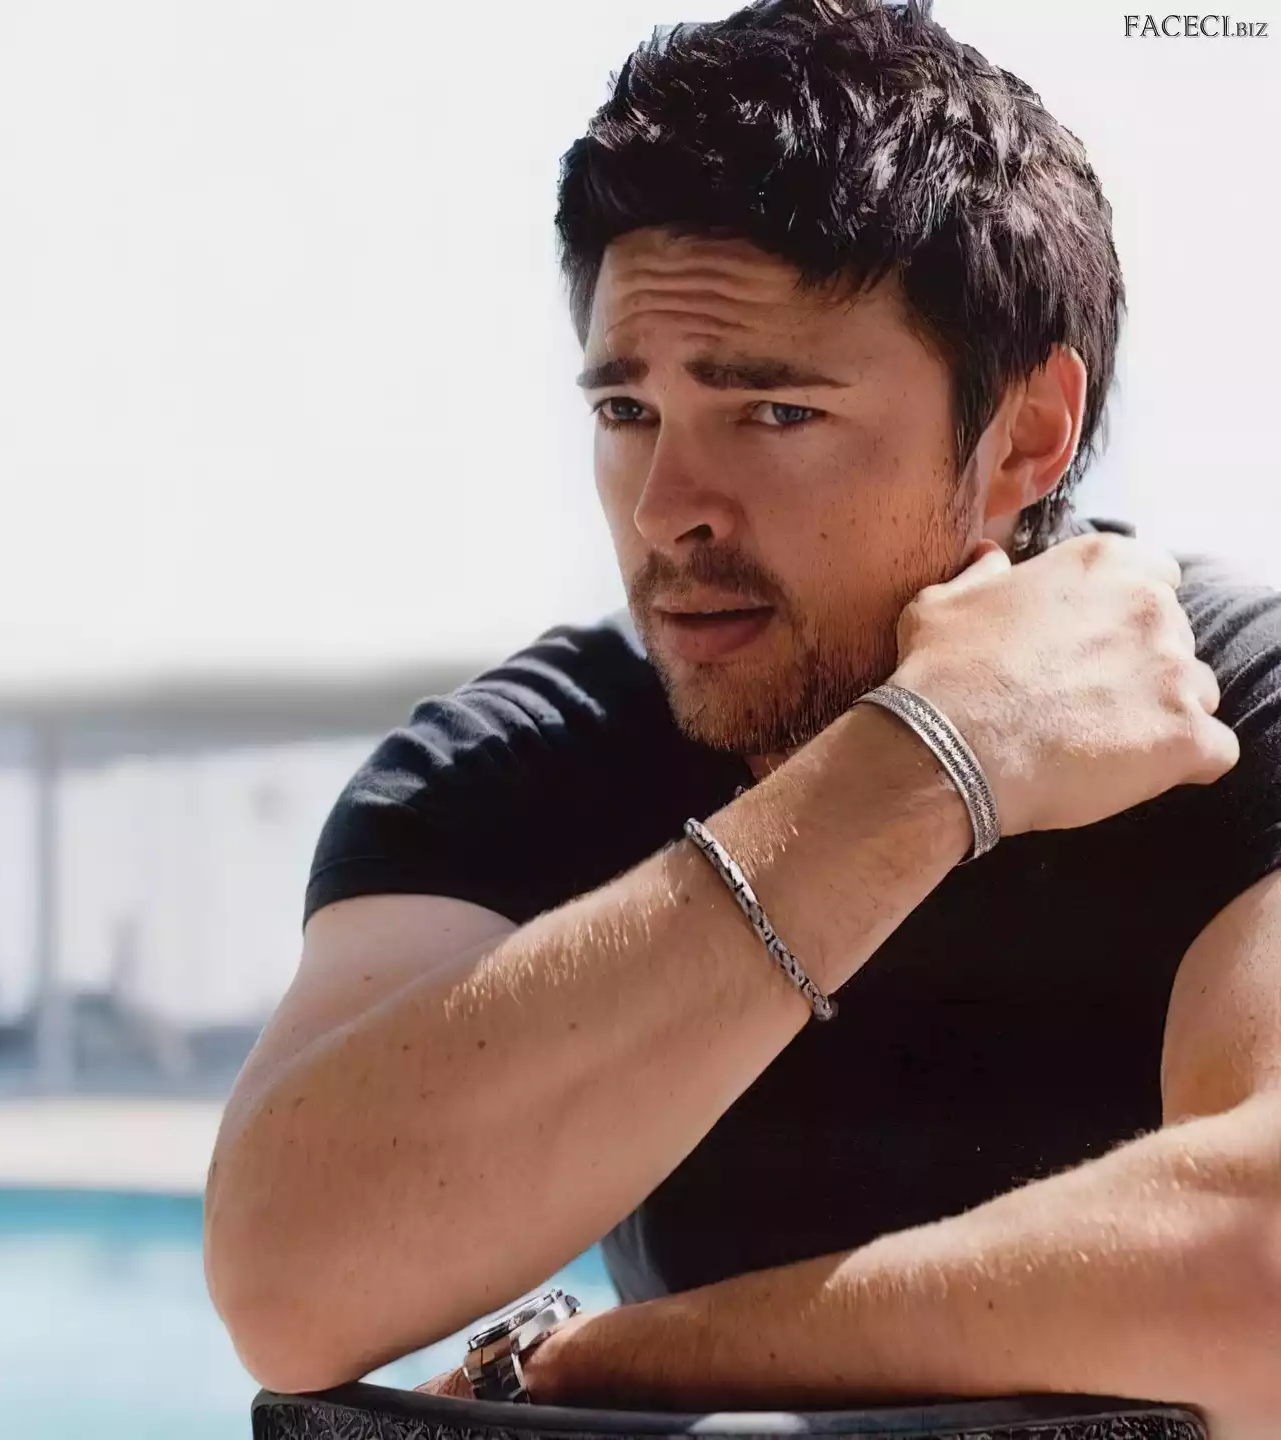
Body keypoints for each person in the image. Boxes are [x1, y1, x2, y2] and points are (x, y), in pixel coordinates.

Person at [202, 1, 1281, 1434]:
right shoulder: (522, 762)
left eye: (774, 413)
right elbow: (288, 1282)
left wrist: (620, 1366)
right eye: (627, 413)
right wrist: (929, 763)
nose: (668, 510)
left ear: (1026, 434)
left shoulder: (1233, 705)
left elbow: (1260, 1272)